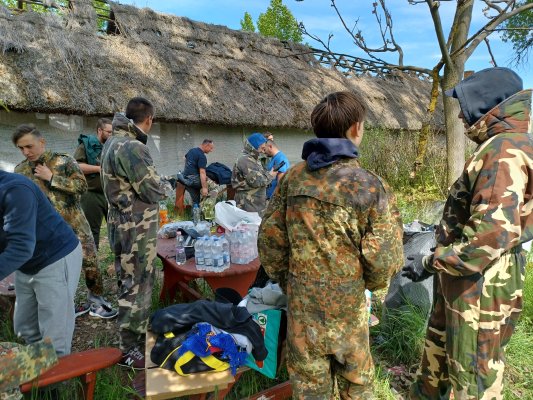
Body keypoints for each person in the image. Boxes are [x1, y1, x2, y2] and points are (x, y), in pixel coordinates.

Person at [258, 91, 404, 399]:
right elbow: (384, 258)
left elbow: (270, 241)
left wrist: (290, 282)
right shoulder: (370, 185)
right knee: (357, 387)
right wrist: (368, 287)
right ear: (355, 128)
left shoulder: (293, 178)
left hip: (303, 307)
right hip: (349, 310)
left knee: (310, 390)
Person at [403, 67, 533, 400]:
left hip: (480, 287)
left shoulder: (503, 152)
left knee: (471, 380)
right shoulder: (505, 145)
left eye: (466, 105)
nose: (460, 114)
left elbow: (485, 241)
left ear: (487, 105)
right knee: (440, 363)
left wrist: (430, 261)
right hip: (468, 282)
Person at [12, 125, 117, 320]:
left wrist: (52, 177)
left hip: (74, 224)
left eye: (29, 146)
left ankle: (96, 299)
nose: (26, 152)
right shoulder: (20, 170)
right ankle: (63, 305)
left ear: (41, 142)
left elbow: (82, 187)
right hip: (45, 231)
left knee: (89, 261)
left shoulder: (64, 161)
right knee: (54, 268)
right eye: (21, 148)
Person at [101, 97, 165, 369]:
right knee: (137, 285)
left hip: (123, 223)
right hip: (135, 228)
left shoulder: (113, 142)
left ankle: (133, 337)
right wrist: (162, 184)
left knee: (129, 281)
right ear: (148, 119)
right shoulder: (132, 147)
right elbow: (153, 190)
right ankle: (129, 349)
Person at [0, 171, 82, 358]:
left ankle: (55, 385)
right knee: (24, 329)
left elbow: (21, 248)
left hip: (55, 257)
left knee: (54, 340)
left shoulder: (16, 190)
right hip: (26, 264)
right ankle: (37, 378)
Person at [74, 118, 113, 250]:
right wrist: (99, 169)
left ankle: (119, 263)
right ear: (99, 130)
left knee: (116, 229)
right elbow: (77, 166)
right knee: (92, 231)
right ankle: (93, 265)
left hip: (111, 194)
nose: (111, 135)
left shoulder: (113, 146)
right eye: (109, 132)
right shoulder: (86, 145)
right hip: (92, 194)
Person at [231, 133, 276, 216]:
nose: (264, 148)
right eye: (262, 146)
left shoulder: (254, 159)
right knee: (249, 227)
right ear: (255, 145)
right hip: (248, 204)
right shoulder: (245, 160)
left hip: (254, 203)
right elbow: (257, 181)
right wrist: (272, 174)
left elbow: (260, 174)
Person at [178, 139, 215, 205]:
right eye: (211, 148)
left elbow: (184, 158)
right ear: (206, 145)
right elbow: (202, 173)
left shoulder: (192, 150)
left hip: (186, 178)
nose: (211, 150)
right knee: (214, 187)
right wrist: (204, 188)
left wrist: (191, 168)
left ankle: (196, 209)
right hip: (194, 181)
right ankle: (207, 207)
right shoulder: (202, 156)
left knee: (196, 201)